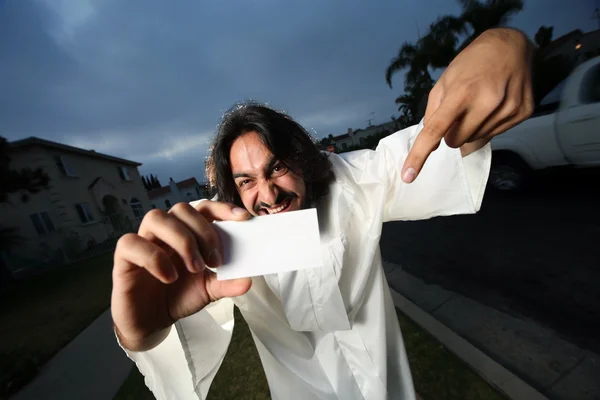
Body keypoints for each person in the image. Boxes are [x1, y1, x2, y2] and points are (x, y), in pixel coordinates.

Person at [112, 28, 534, 399]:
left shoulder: (350, 183)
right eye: (246, 181)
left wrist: (505, 42)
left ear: (299, 158)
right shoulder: (226, 248)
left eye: (276, 167)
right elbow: (172, 338)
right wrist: (140, 331)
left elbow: (437, 151)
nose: (268, 193)